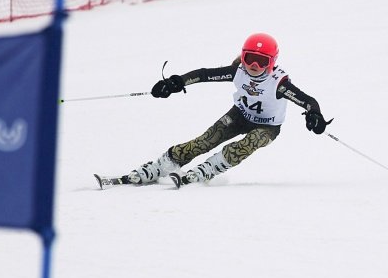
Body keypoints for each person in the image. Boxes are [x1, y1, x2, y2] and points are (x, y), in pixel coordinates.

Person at [110, 33, 331, 188]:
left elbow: (307, 100)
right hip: (239, 116)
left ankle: (208, 169)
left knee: (249, 143)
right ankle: (162, 165)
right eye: (250, 58)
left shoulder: (278, 82)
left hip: (267, 127)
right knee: (205, 141)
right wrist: (177, 82)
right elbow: (204, 74)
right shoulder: (238, 71)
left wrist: (315, 114)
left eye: (261, 61)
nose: (254, 66)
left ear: (272, 62)